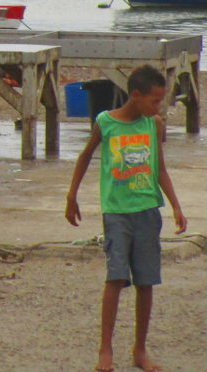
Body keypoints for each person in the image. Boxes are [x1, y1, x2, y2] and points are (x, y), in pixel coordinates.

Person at [65, 65, 187, 372]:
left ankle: (140, 350)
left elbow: (159, 168)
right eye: (155, 100)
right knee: (116, 277)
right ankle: (105, 349)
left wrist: (175, 205)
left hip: (147, 210)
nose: (158, 107)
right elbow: (85, 156)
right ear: (136, 95)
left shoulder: (153, 125)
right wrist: (71, 195)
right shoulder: (106, 123)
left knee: (146, 280)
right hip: (117, 211)